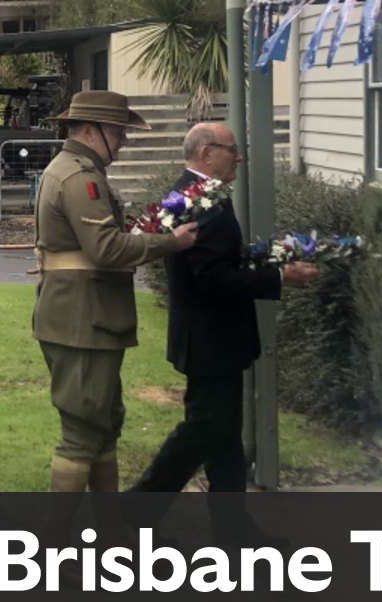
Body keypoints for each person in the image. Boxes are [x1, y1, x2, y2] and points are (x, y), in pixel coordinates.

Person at [129, 122, 318, 494]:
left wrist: (266, 255)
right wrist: (279, 277)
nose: (240, 157)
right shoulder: (199, 200)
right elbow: (214, 278)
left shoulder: (200, 193)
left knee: (225, 435)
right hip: (210, 337)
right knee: (205, 429)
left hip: (215, 337)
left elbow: (221, 258)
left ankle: (233, 529)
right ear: (207, 153)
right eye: (233, 149)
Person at [33, 90, 197, 493]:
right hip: (83, 321)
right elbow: (105, 248)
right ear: (91, 131)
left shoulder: (76, 170)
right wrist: (169, 242)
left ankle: (109, 536)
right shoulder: (80, 178)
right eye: (118, 132)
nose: (123, 141)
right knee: (83, 431)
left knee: (103, 425)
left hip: (85, 319)